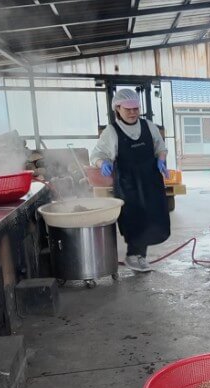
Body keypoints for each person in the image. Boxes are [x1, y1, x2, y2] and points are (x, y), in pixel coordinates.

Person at [91, 89, 170, 273]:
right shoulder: (111, 131)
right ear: (117, 108)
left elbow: (160, 147)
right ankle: (133, 255)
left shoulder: (148, 125)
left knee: (153, 217)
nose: (133, 112)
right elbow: (97, 154)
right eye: (128, 109)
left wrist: (161, 159)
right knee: (133, 218)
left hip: (150, 180)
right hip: (128, 183)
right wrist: (103, 163)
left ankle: (139, 256)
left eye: (136, 108)